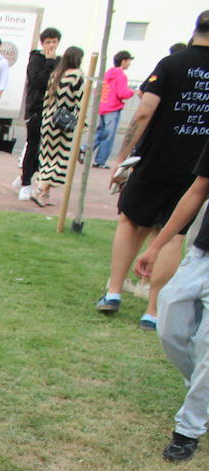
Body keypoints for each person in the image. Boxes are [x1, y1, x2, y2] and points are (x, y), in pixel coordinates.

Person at [99, 16, 209, 330]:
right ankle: (152, 310)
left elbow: (145, 110)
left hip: (156, 160)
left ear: (194, 31)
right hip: (197, 168)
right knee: (174, 233)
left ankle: (114, 291)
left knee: (130, 219)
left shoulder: (173, 64)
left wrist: (123, 156)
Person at [133, 145, 209, 463]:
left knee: (207, 345)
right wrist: (157, 245)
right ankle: (202, 392)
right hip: (202, 255)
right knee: (169, 327)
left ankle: (187, 431)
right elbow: (197, 190)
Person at [30, 46, 85, 209]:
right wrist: (82, 123)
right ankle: (40, 190)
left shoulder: (56, 75)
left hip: (49, 119)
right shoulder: (77, 76)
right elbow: (80, 100)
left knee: (46, 157)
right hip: (65, 121)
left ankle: (43, 193)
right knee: (59, 159)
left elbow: (47, 99)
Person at [15, 27, 60, 201]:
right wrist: (48, 62)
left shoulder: (60, 60)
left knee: (46, 148)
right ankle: (26, 183)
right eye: (48, 42)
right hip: (35, 109)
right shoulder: (36, 59)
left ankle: (26, 177)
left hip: (52, 110)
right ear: (42, 43)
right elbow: (38, 81)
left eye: (54, 42)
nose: (51, 45)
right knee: (33, 145)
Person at [93, 51, 135, 168]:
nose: (129, 63)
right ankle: (100, 161)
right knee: (108, 136)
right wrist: (132, 92)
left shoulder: (108, 73)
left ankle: (85, 148)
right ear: (123, 61)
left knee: (100, 132)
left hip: (103, 106)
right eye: (129, 61)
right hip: (113, 108)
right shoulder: (121, 76)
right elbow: (122, 93)